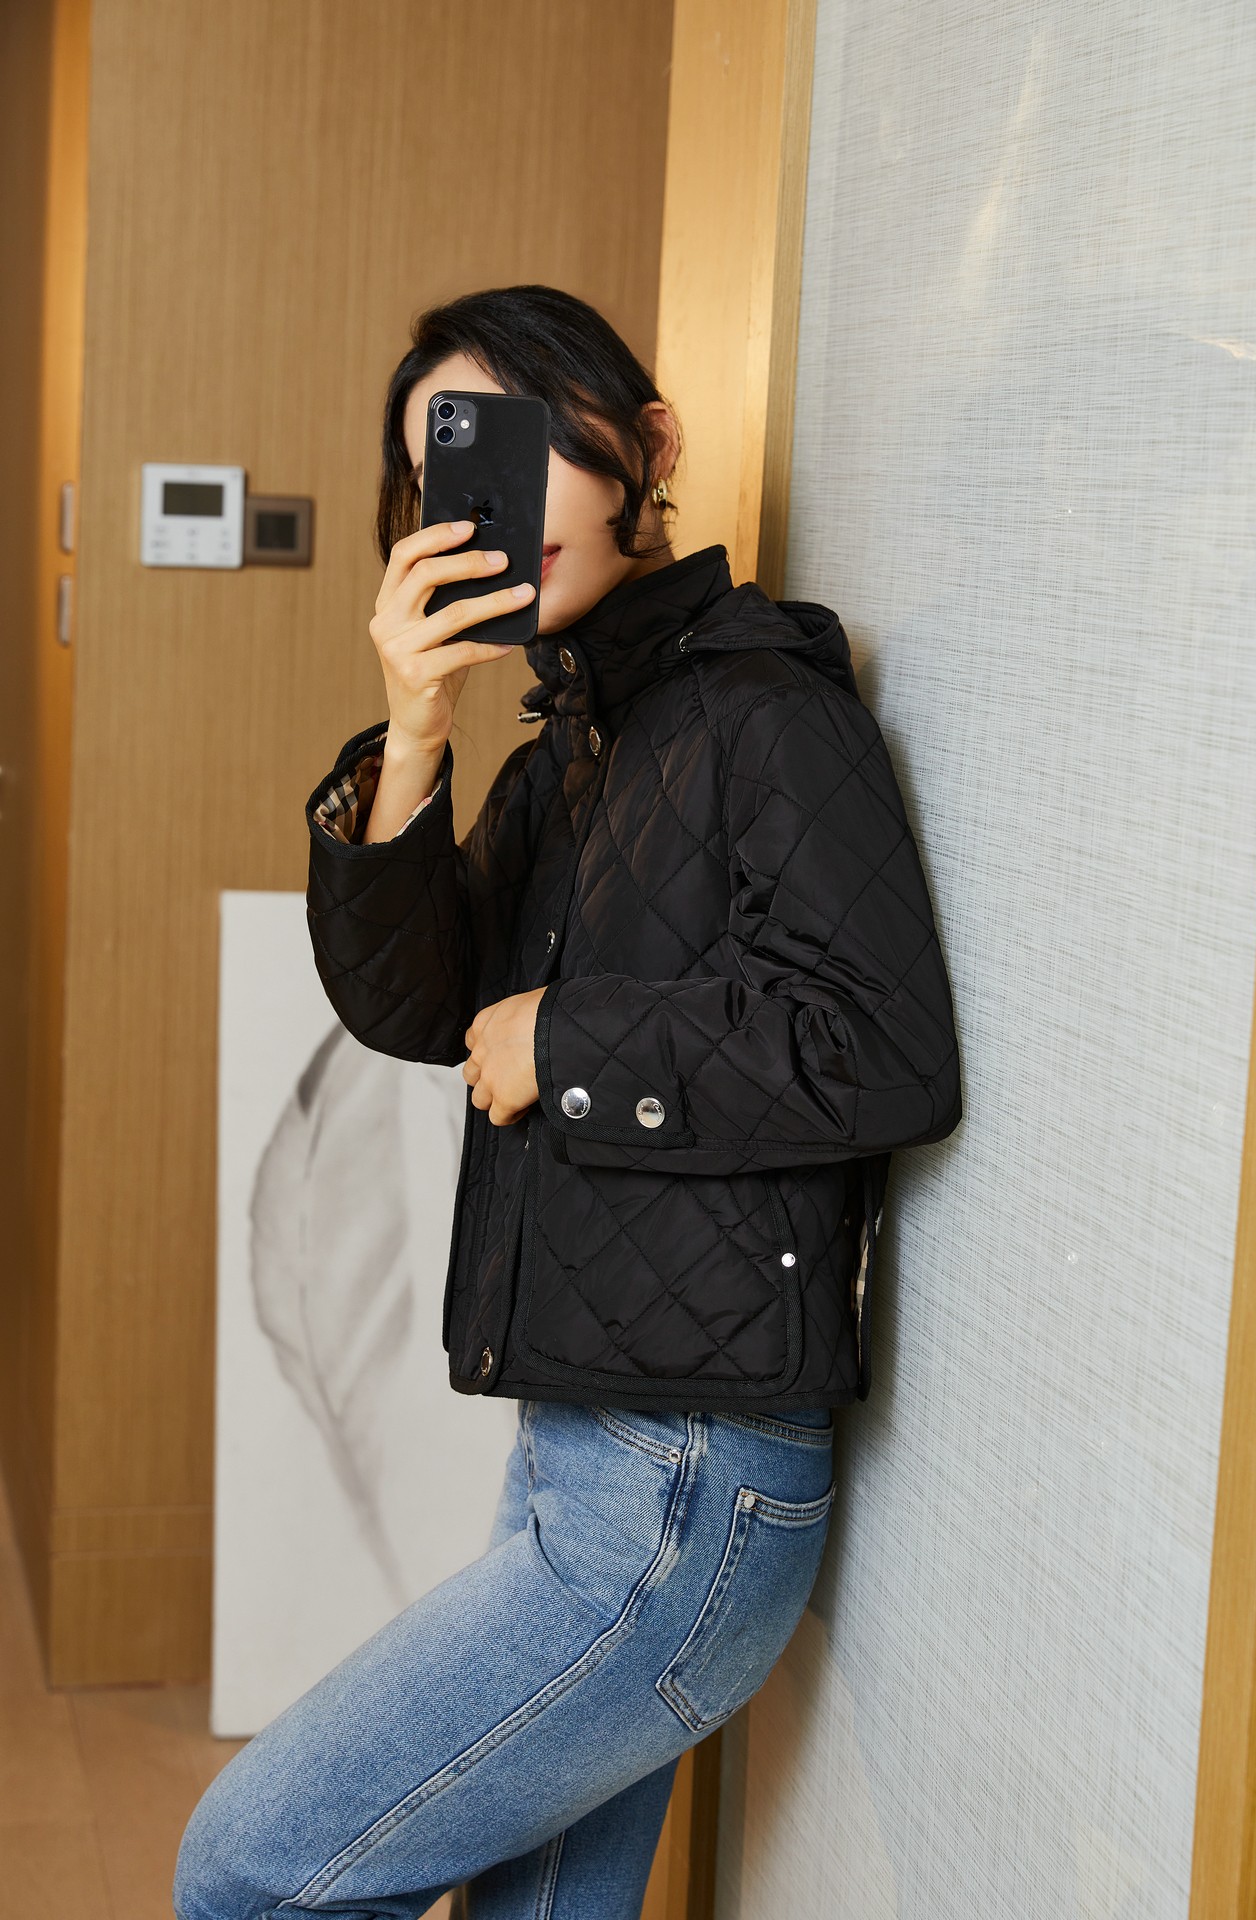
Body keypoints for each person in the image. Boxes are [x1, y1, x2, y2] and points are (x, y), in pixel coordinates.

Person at [174, 285, 961, 1920]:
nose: (487, 498)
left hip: (681, 1483)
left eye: (523, 439)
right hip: (598, 1447)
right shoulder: (587, 744)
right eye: (449, 464)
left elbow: (880, 1048)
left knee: (249, 1870)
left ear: (647, 448)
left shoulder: (767, 714)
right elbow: (415, 1004)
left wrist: (573, 1040)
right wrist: (413, 732)